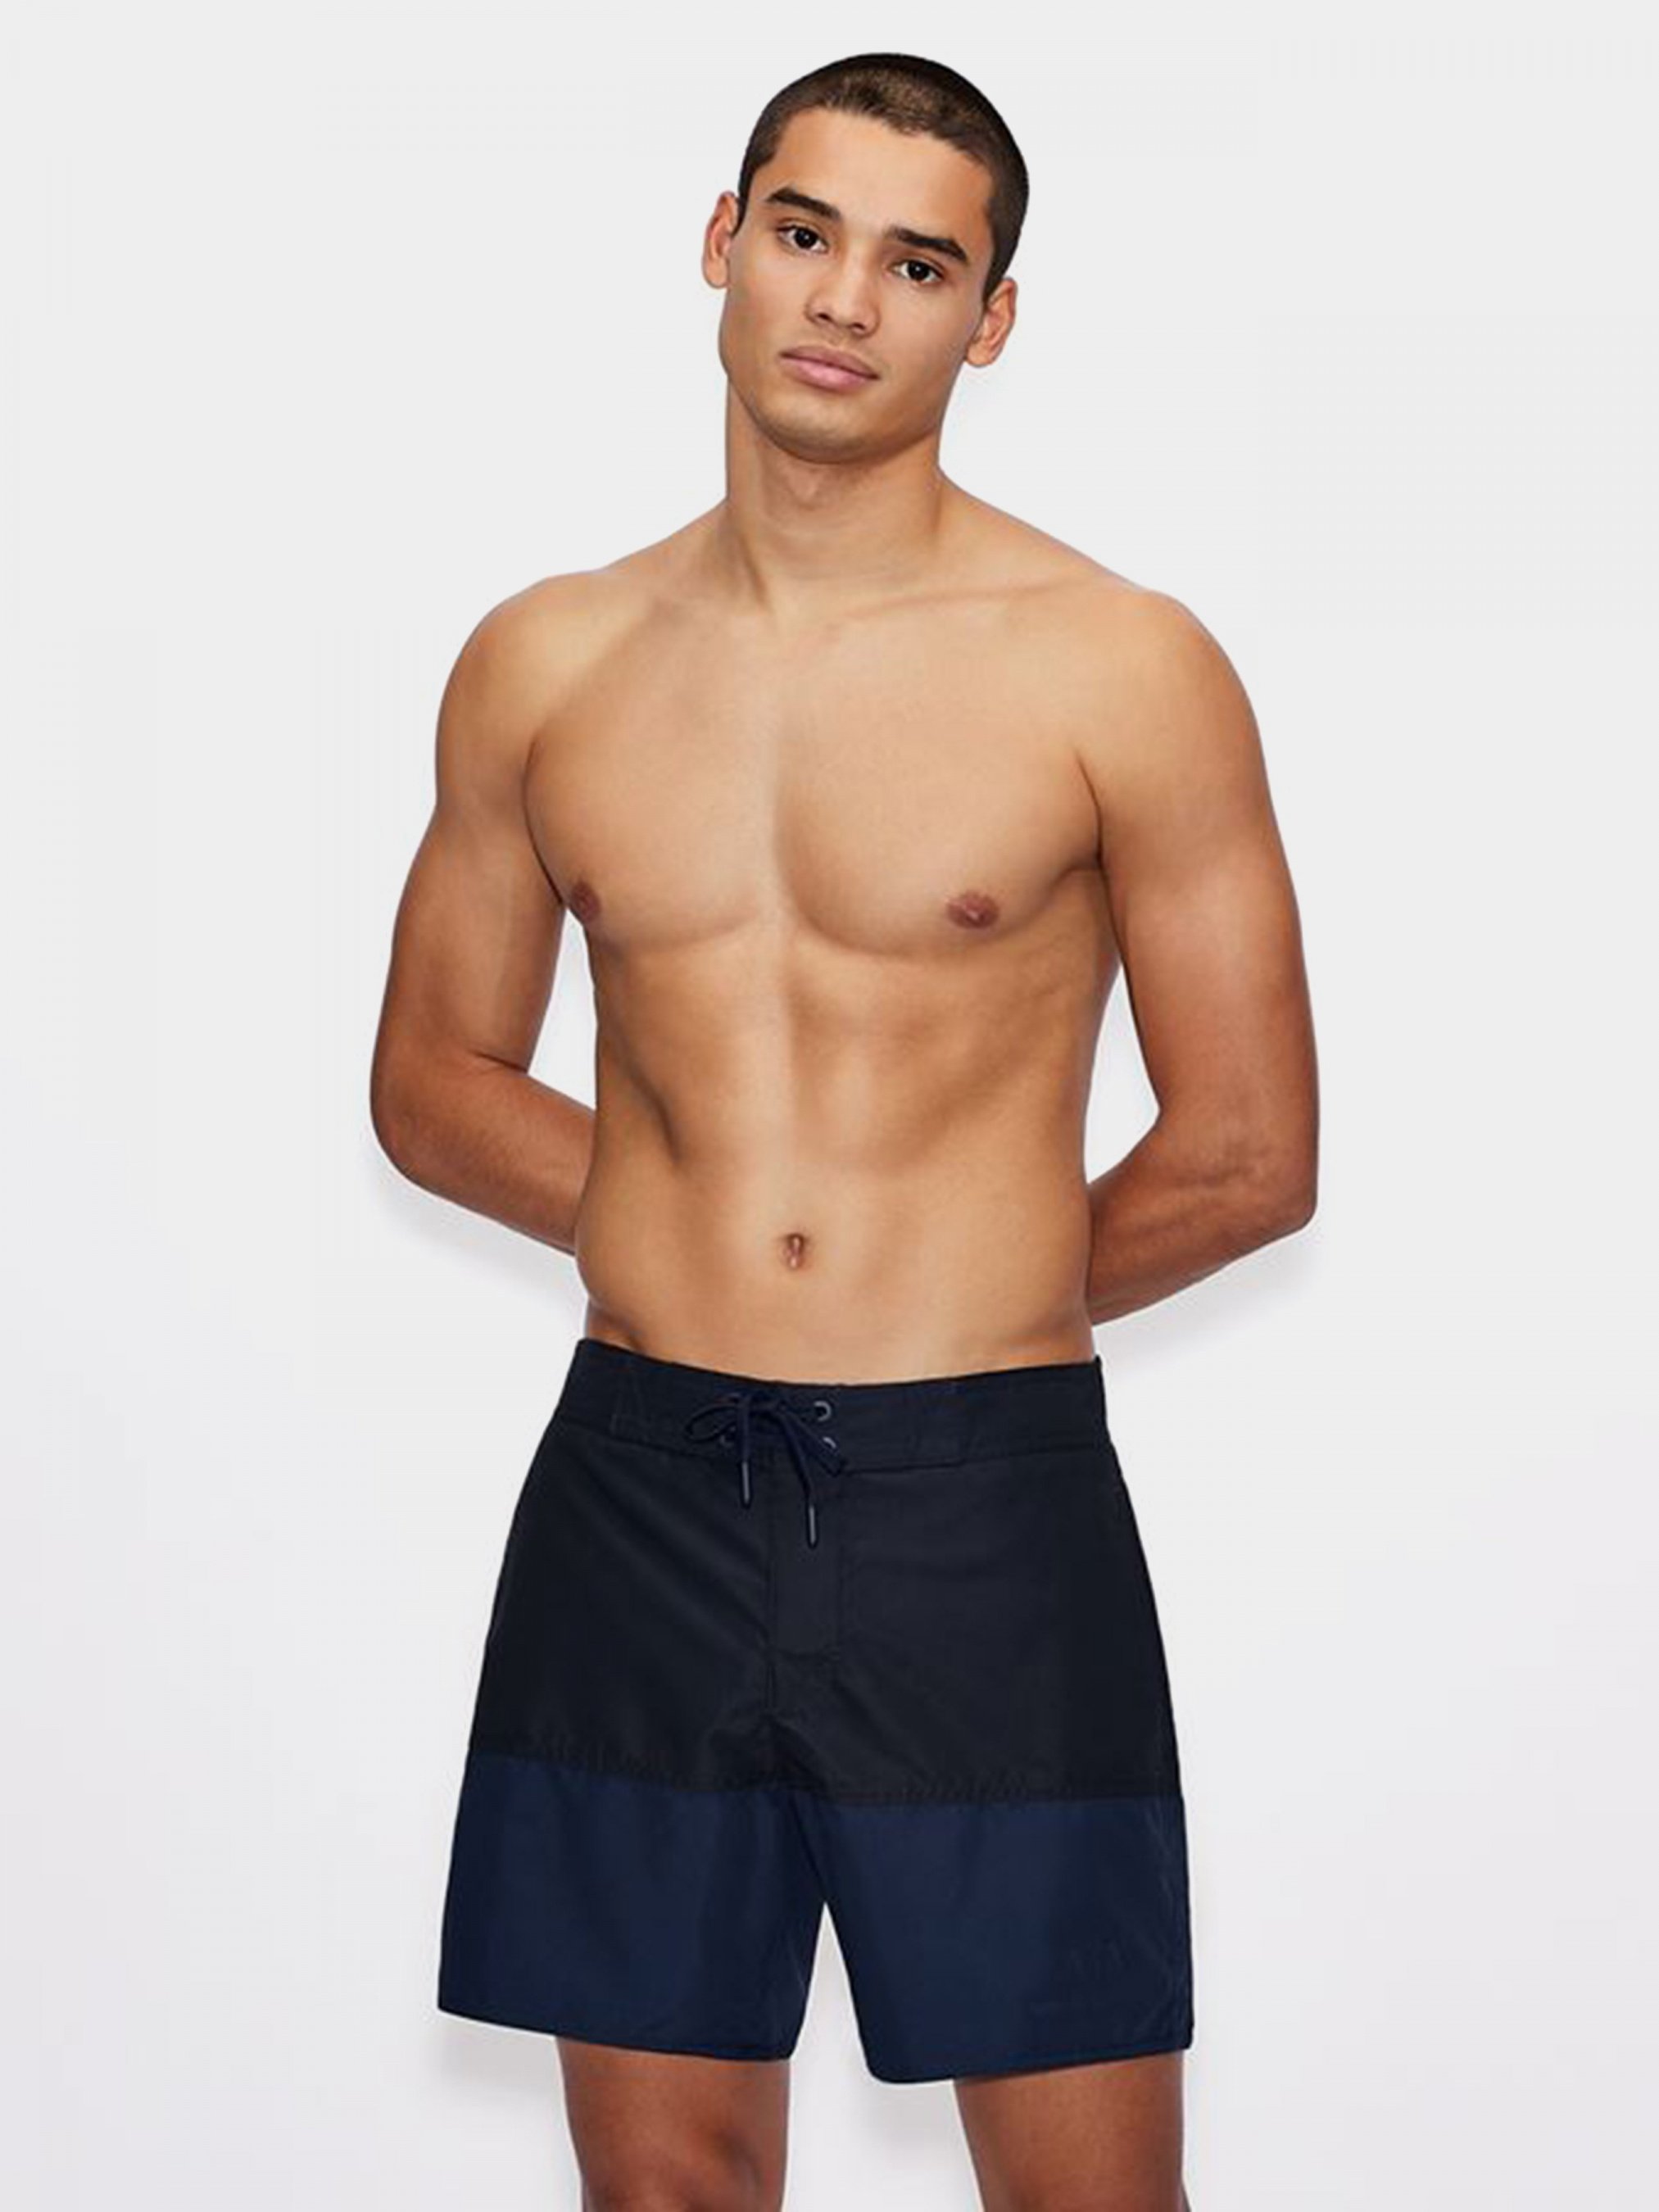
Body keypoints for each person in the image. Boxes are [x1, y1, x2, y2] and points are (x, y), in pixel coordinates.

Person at [369, 48, 1317, 2212]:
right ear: (723, 243)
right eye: (803, 233)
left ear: (989, 319)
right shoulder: (547, 659)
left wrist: (943, 1284)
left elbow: (1249, 1151)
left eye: (918, 264)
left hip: (982, 1506)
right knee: (664, 2191)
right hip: (637, 1492)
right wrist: (688, 1224)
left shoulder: (1119, 665)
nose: (843, 300)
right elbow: (431, 1080)